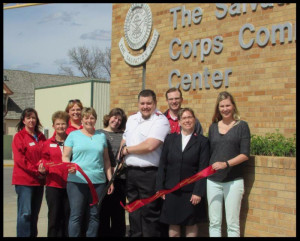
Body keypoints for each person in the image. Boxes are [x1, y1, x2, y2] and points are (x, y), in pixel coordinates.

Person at [120, 89, 170, 237]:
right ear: (138, 104)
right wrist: (121, 153)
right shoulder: (132, 119)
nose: (145, 106)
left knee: (150, 212)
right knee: (133, 210)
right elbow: (125, 138)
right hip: (131, 172)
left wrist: (127, 150)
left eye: (149, 103)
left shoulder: (160, 120)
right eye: (142, 103)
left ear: (155, 103)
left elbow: (150, 145)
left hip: (149, 174)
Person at [156, 108, 210, 237]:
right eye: (184, 118)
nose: (187, 120)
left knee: (191, 225)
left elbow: (203, 169)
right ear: (179, 122)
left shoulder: (202, 142)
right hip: (171, 190)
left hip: (191, 192)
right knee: (173, 227)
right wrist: (160, 187)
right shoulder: (170, 139)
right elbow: (163, 164)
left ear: (195, 120)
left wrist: (198, 192)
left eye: (190, 117)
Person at [62, 107, 114, 237]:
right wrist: (69, 166)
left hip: (98, 182)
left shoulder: (101, 137)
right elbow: (65, 156)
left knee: (94, 215)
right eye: (86, 117)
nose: (89, 120)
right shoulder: (73, 135)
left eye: (92, 118)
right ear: (82, 119)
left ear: (95, 120)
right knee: (76, 215)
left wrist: (110, 180)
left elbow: (106, 160)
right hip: (77, 181)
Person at [207, 91, 251, 237]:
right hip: (213, 181)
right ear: (218, 108)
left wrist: (226, 163)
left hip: (234, 181)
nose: (225, 109)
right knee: (214, 223)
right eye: (222, 106)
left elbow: (245, 154)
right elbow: (211, 152)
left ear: (233, 106)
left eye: (228, 105)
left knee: (232, 224)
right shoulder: (213, 127)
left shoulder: (242, 126)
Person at [11, 108, 46, 237]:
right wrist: (36, 170)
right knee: (25, 214)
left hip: (39, 181)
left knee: (34, 214)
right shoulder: (19, 137)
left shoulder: (41, 136)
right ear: (23, 120)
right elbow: (20, 160)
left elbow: (46, 154)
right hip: (24, 181)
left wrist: (43, 170)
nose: (31, 120)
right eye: (28, 118)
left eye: (33, 118)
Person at [38, 111, 70, 237]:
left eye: (63, 124)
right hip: (53, 185)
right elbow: (44, 161)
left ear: (67, 125)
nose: (61, 126)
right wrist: (43, 169)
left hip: (70, 185)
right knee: (54, 217)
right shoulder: (47, 143)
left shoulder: (72, 141)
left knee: (68, 216)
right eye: (58, 124)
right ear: (53, 126)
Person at [98, 108, 127, 237]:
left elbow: (126, 155)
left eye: (119, 119)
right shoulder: (98, 133)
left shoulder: (124, 135)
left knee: (118, 213)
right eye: (114, 117)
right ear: (109, 117)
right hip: (102, 178)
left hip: (120, 178)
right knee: (103, 212)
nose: (116, 121)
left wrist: (118, 168)